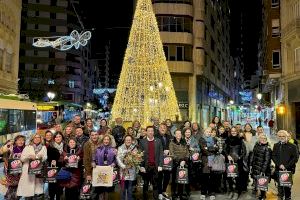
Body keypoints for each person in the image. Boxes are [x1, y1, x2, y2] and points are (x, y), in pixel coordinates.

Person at [17, 134, 47, 199]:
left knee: (37, 192)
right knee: (28, 192)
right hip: (27, 171)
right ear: (32, 139)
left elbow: (45, 157)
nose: (37, 139)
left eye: (38, 137)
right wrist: (29, 156)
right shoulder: (28, 147)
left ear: (40, 138)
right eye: (35, 137)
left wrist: (41, 157)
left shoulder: (43, 147)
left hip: (38, 170)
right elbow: (22, 158)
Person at [272, 130, 299, 200]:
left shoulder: (293, 146)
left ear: (287, 136)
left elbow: (295, 158)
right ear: (278, 137)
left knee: (287, 186)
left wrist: (286, 166)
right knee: (280, 185)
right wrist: (279, 165)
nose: (281, 137)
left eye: (283, 136)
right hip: (278, 168)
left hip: (288, 169)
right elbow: (273, 156)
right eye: (280, 136)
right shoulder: (276, 145)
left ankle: (288, 197)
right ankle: (280, 196)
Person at [139, 126, 163, 200]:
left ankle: (156, 197)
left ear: (154, 132)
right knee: (145, 184)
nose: (150, 132)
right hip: (146, 166)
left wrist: (160, 165)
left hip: (155, 166)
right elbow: (140, 155)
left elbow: (161, 154)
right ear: (146, 132)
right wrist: (141, 166)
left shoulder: (158, 141)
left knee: (155, 184)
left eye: (152, 131)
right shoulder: (142, 141)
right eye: (149, 131)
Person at [224, 127, 247, 200]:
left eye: (235, 131)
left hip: (238, 161)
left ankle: (237, 191)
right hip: (229, 161)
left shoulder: (240, 140)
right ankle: (231, 190)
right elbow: (225, 149)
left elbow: (244, 151)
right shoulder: (227, 139)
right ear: (230, 132)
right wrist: (228, 156)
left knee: (238, 177)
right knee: (230, 177)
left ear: (237, 132)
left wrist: (240, 157)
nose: (233, 132)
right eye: (232, 131)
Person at [1, 135, 26, 200]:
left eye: (22, 140)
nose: (21, 141)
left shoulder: (24, 148)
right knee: (11, 187)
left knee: (18, 190)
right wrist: (8, 146)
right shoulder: (12, 147)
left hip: (20, 171)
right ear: (16, 141)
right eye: (19, 140)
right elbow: (2, 153)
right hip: (10, 171)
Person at [93, 134, 117, 200]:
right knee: (100, 188)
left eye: (107, 139)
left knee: (107, 188)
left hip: (108, 171)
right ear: (102, 140)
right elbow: (94, 159)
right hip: (100, 171)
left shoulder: (113, 149)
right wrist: (93, 162)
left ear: (109, 141)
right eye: (105, 139)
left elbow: (115, 159)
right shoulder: (98, 149)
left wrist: (114, 163)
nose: (106, 141)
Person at [199, 128, 219, 200]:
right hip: (205, 160)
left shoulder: (214, 139)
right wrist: (212, 148)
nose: (208, 133)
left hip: (213, 160)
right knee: (205, 177)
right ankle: (203, 192)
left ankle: (212, 192)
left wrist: (209, 148)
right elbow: (203, 150)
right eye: (207, 131)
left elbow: (217, 148)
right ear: (204, 132)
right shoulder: (201, 139)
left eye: (210, 132)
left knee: (213, 177)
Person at [169, 129, 189, 200]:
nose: (178, 135)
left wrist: (184, 160)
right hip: (175, 163)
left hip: (183, 163)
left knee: (182, 179)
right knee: (174, 180)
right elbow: (172, 153)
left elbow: (187, 152)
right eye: (177, 134)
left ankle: (181, 194)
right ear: (174, 135)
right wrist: (180, 160)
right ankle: (174, 194)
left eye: (180, 134)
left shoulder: (184, 142)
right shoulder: (172, 143)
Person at [117, 135, 138, 200]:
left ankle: (130, 198)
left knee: (130, 188)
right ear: (124, 141)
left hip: (131, 170)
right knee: (123, 188)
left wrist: (132, 164)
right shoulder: (120, 148)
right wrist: (123, 166)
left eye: (129, 140)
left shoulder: (134, 148)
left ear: (131, 141)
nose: (128, 141)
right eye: (127, 140)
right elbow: (118, 159)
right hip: (123, 171)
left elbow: (137, 159)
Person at [251, 134, 272, 200]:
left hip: (263, 168)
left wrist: (263, 171)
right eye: (261, 138)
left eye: (264, 138)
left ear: (266, 139)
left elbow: (267, 161)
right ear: (259, 139)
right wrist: (252, 164)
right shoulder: (256, 146)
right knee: (258, 182)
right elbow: (253, 155)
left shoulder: (267, 148)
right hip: (256, 167)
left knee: (263, 182)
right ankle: (260, 194)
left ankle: (263, 196)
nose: (263, 139)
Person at [156, 123, 172, 200]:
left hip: (168, 161)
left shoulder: (169, 137)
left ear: (166, 129)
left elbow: (171, 146)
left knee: (167, 176)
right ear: (158, 129)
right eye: (161, 127)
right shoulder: (156, 137)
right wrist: (163, 151)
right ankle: (159, 193)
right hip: (159, 160)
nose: (163, 129)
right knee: (159, 177)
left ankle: (164, 190)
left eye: (164, 128)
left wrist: (169, 151)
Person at [48, 132, 65, 200]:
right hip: (53, 169)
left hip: (62, 168)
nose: (58, 138)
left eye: (59, 136)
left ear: (62, 138)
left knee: (60, 185)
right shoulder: (50, 147)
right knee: (52, 185)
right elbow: (48, 158)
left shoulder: (65, 146)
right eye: (56, 137)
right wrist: (52, 160)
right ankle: (51, 197)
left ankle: (58, 197)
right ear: (54, 138)